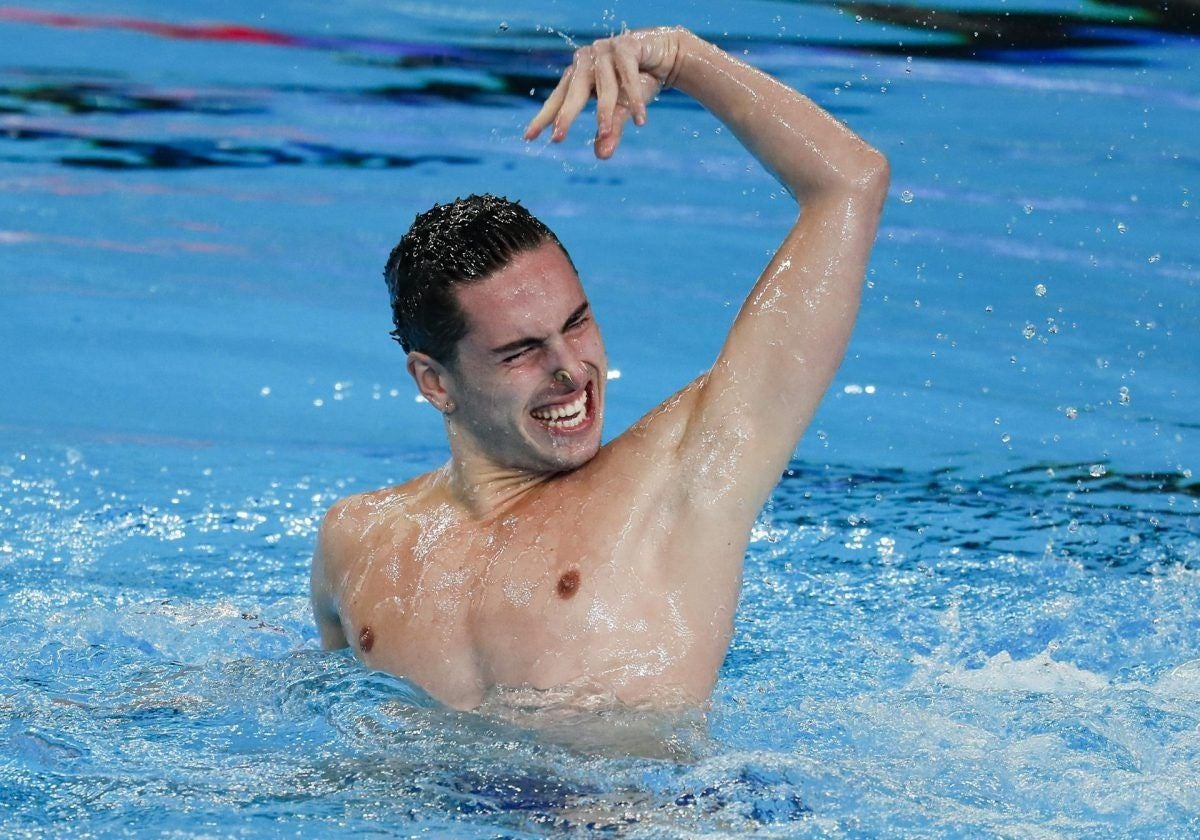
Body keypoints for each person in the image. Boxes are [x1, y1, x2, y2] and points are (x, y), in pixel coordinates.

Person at [310, 26, 888, 711]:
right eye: (521, 350)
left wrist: (681, 58)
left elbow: (850, 182)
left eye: (577, 322)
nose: (569, 369)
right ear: (434, 382)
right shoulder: (358, 543)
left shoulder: (681, 480)